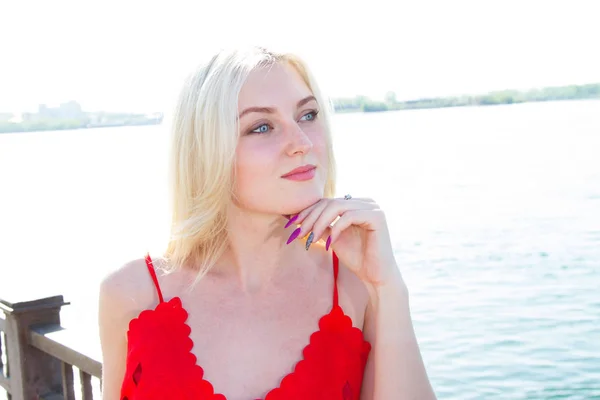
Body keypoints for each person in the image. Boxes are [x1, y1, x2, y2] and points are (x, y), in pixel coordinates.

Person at [98, 45, 436, 400]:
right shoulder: (132, 294)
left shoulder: (356, 288)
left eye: (307, 115)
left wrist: (388, 289)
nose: (302, 143)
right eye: (262, 127)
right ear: (207, 150)